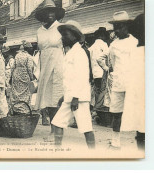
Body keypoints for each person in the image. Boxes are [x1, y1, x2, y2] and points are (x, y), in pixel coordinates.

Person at [51, 20, 95, 149]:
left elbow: (82, 76)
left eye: (66, 35)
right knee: (58, 122)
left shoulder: (80, 53)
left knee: (86, 127)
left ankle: (94, 154)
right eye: (62, 35)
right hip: (70, 97)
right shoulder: (70, 53)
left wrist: (76, 97)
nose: (63, 38)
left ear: (75, 36)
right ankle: (56, 152)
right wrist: (65, 96)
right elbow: (70, 78)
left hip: (79, 98)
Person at [107, 11, 138, 149]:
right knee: (116, 112)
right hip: (119, 83)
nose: (117, 30)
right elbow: (113, 64)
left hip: (134, 83)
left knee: (138, 112)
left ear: (127, 26)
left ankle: (141, 138)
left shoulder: (136, 42)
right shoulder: (113, 45)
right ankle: (115, 140)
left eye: (120, 27)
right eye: (115, 27)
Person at [34, 0, 65, 140]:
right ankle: (53, 130)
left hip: (58, 65)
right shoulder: (39, 31)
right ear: (43, 15)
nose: (50, 14)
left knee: (56, 100)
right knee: (47, 101)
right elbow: (39, 52)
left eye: (53, 11)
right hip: (45, 66)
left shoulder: (61, 28)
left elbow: (68, 49)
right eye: (47, 12)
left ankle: (56, 131)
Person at [121, 14, 145, 151]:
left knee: (141, 129)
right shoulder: (136, 50)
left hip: (138, 96)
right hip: (140, 94)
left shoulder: (135, 50)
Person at [89, 27, 110, 124]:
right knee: (103, 92)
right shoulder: (104, 45)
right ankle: (96, 111)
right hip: (102, 72)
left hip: (95, 73)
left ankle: (96, 112)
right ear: (102, 35)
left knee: (97, 93)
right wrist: (106, 68)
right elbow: (107, 57)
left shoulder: (92, 47)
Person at [11, 40, 35, 113]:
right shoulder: (29, 57)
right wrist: (32, 78)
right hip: (24, 75)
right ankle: (24, 110)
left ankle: (16, 108)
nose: (31, 49)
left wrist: (12, 76)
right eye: (30, 48)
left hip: (16, 75)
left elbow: (13, 67)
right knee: (25, 93)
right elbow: (29, 68)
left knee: (16, 92)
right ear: (28, 48)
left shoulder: (17, 55)